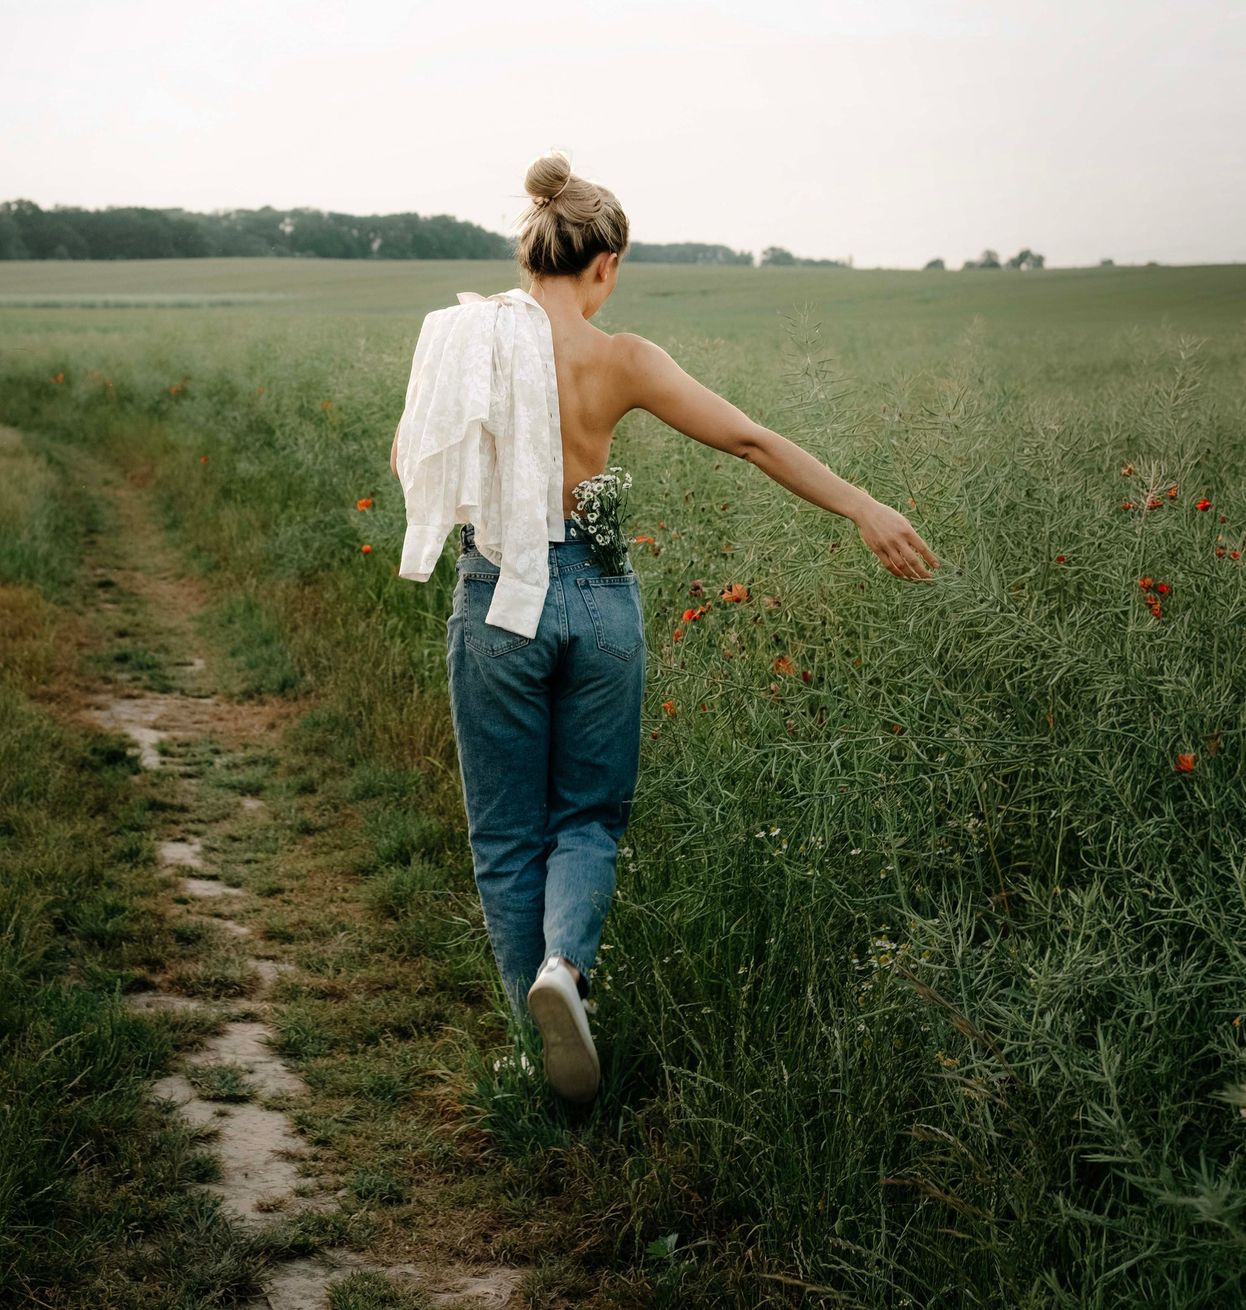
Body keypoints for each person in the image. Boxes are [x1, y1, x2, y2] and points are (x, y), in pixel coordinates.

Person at [390, 152, 938, 1104]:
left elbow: (412, 457)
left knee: (507, 837)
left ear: (531, 257)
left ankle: (537, 1044)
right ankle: (568, 966)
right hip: (598, 597)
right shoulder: (624, 358)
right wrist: (863, 508)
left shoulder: (464, 338)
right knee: (589, 817)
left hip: (495, 597)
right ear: (603, 264)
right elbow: (751, 437)